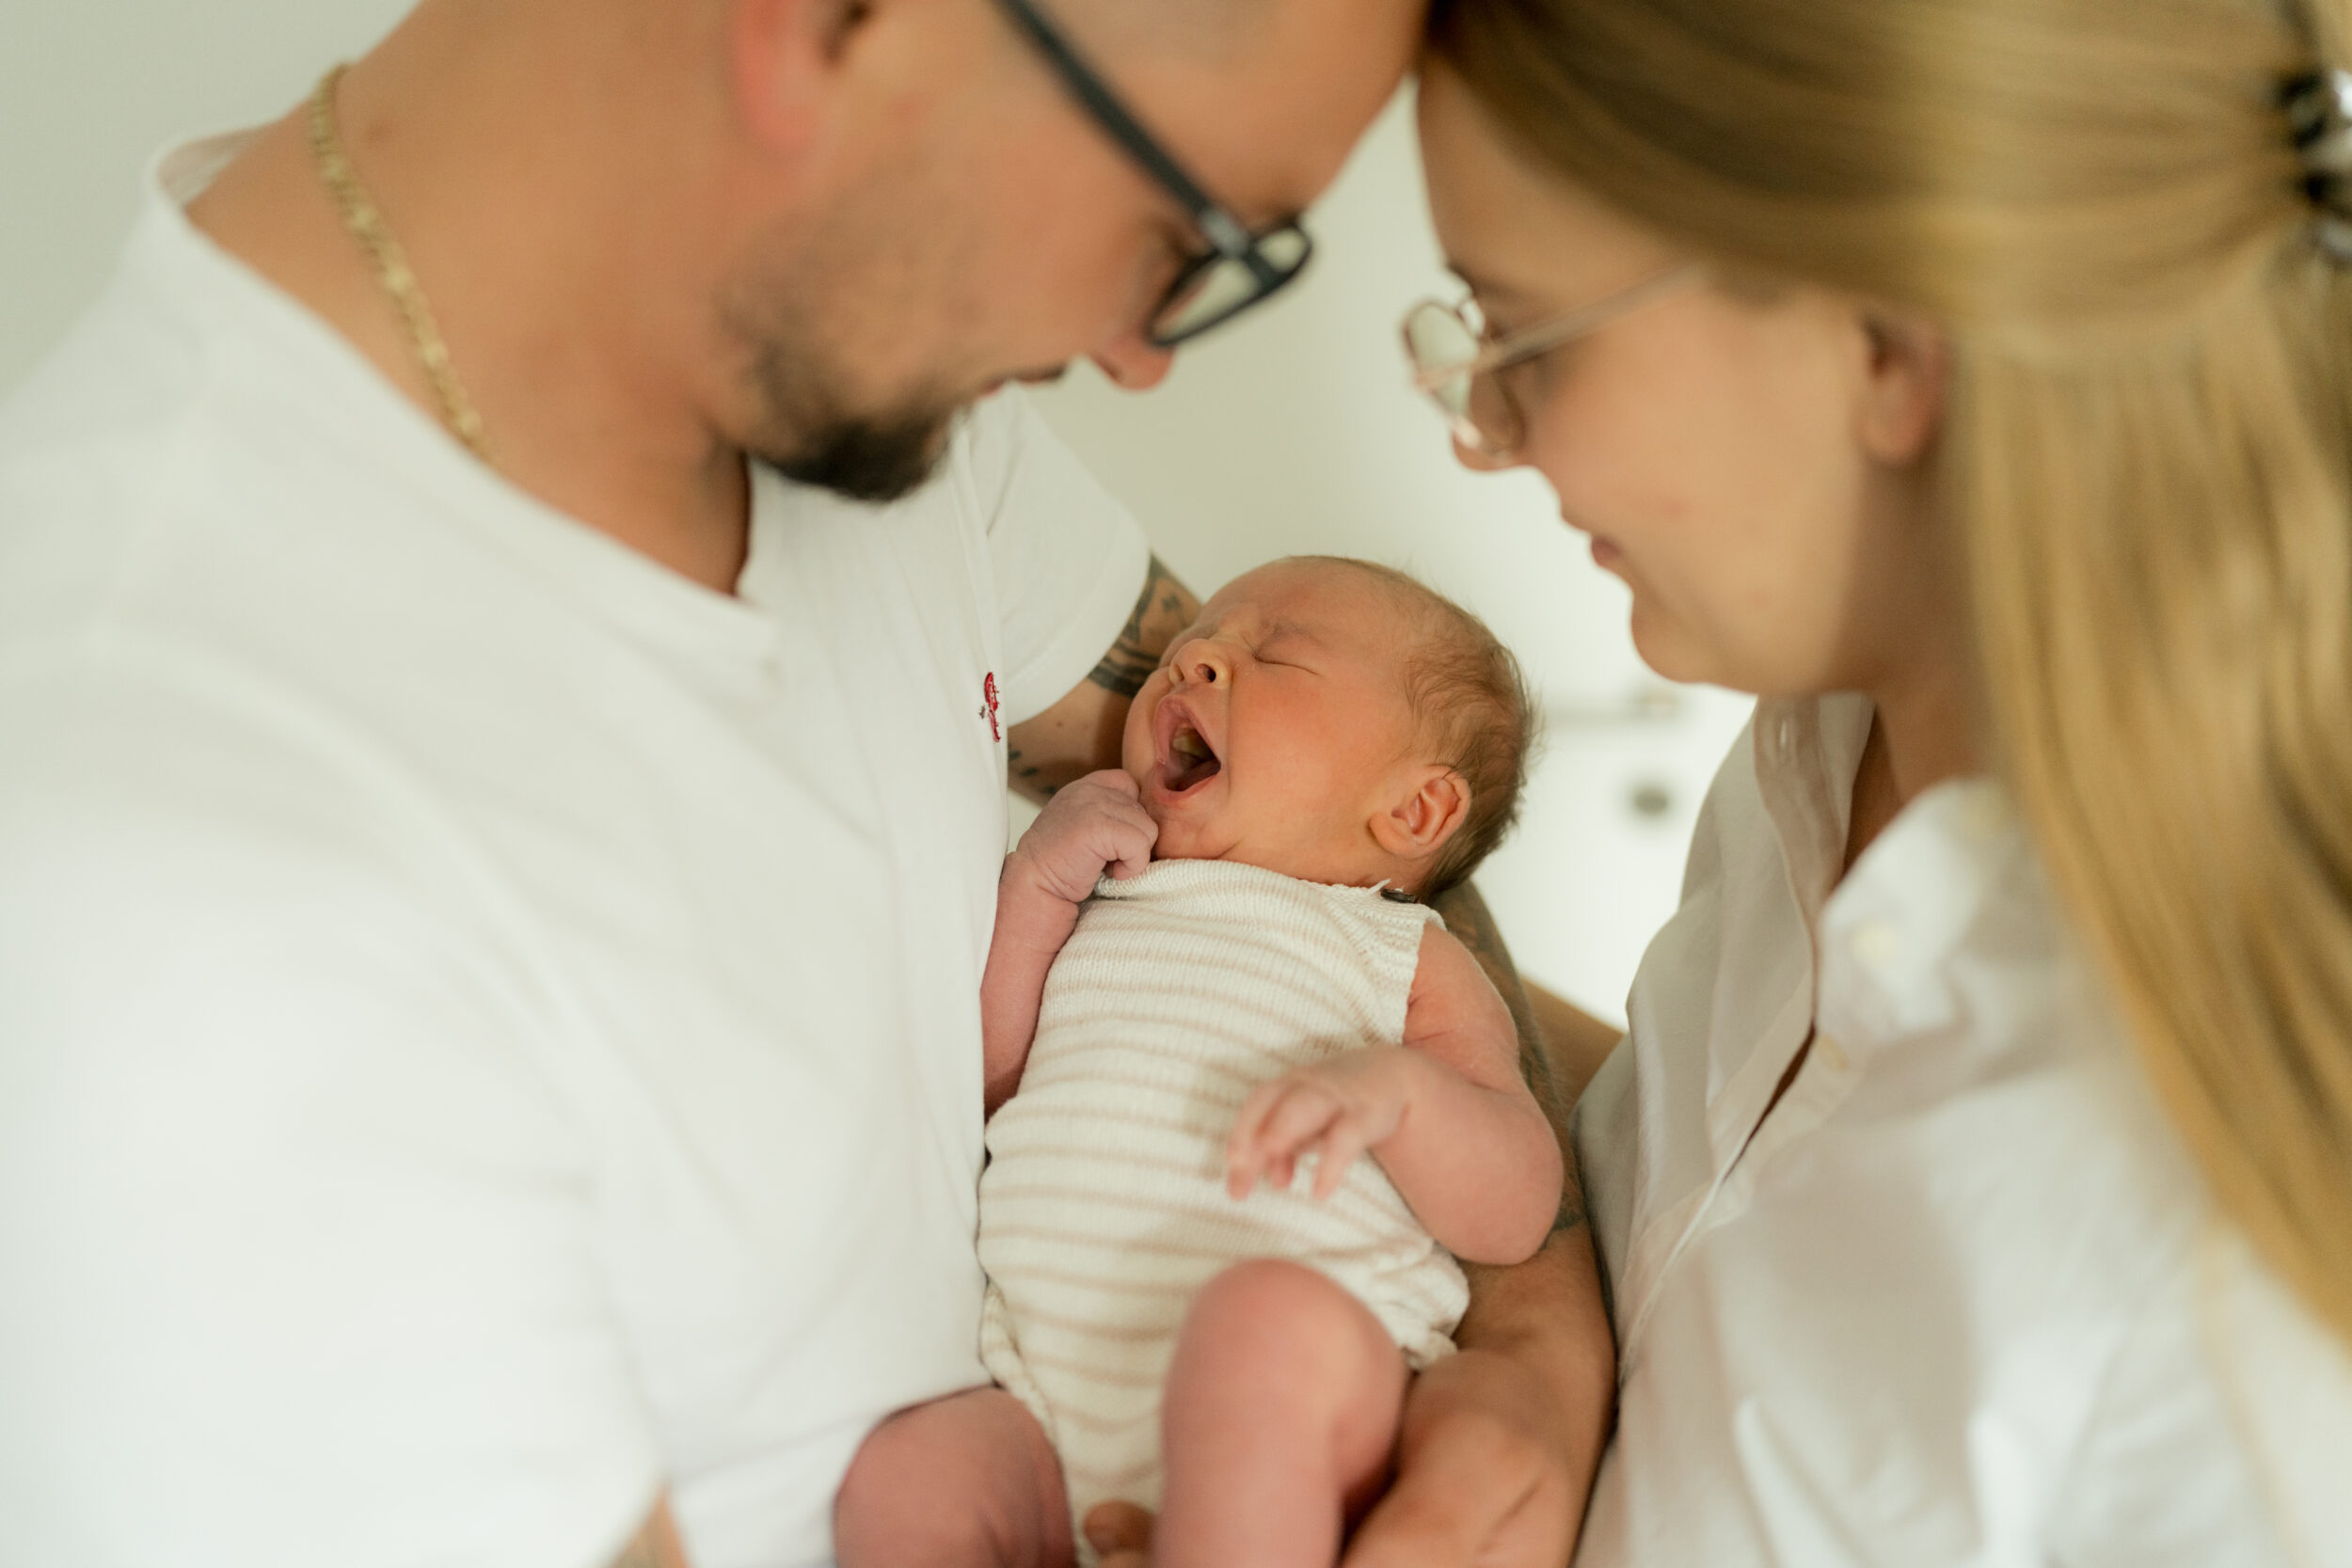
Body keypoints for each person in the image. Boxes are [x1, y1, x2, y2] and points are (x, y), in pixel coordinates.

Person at [0, 1, 1615, 1565]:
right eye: (1181, 232)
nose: (1133, 355)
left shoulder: (880, 405)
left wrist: (1537, 1361)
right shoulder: (170, 857)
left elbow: (1314, 836)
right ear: (840, 23)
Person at [1369, 0, 2352, 1560]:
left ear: (1887, 346)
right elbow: (1732, 1215)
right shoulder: (1809, 769)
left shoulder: (2244, 1340)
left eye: (1529, 338)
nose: (1487, 430)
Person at [834, 557, 1562, 1567]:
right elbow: (987, 1081)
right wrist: (1038, 881)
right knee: (911, 1470)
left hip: (1302, 1392)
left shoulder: (1403, 955)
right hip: (1046, 1390)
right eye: (1194, 643)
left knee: (1259, 1324)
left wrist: (1403, 1097)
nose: (1198, 658)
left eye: (1272, 654)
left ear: (1412, 811)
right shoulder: (1098, 891)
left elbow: (1517, 1207)